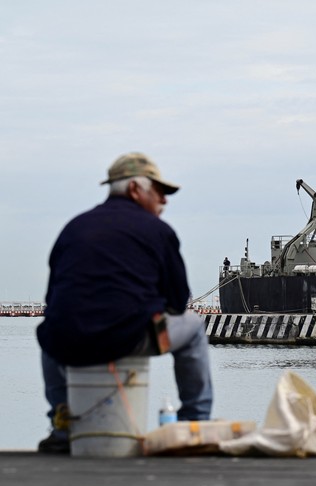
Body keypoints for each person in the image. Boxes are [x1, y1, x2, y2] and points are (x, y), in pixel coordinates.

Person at [36, 152, 213, 453]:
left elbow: (53, 299)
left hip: (69, 341)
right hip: (129, 336)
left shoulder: (73, 228)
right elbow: (179, 301)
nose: (165, 201)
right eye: (159, 192)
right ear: (135, 189)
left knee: (50, 330)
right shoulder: (158, 231)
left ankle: (62, 428)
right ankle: (193, 424)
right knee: (194, 326)